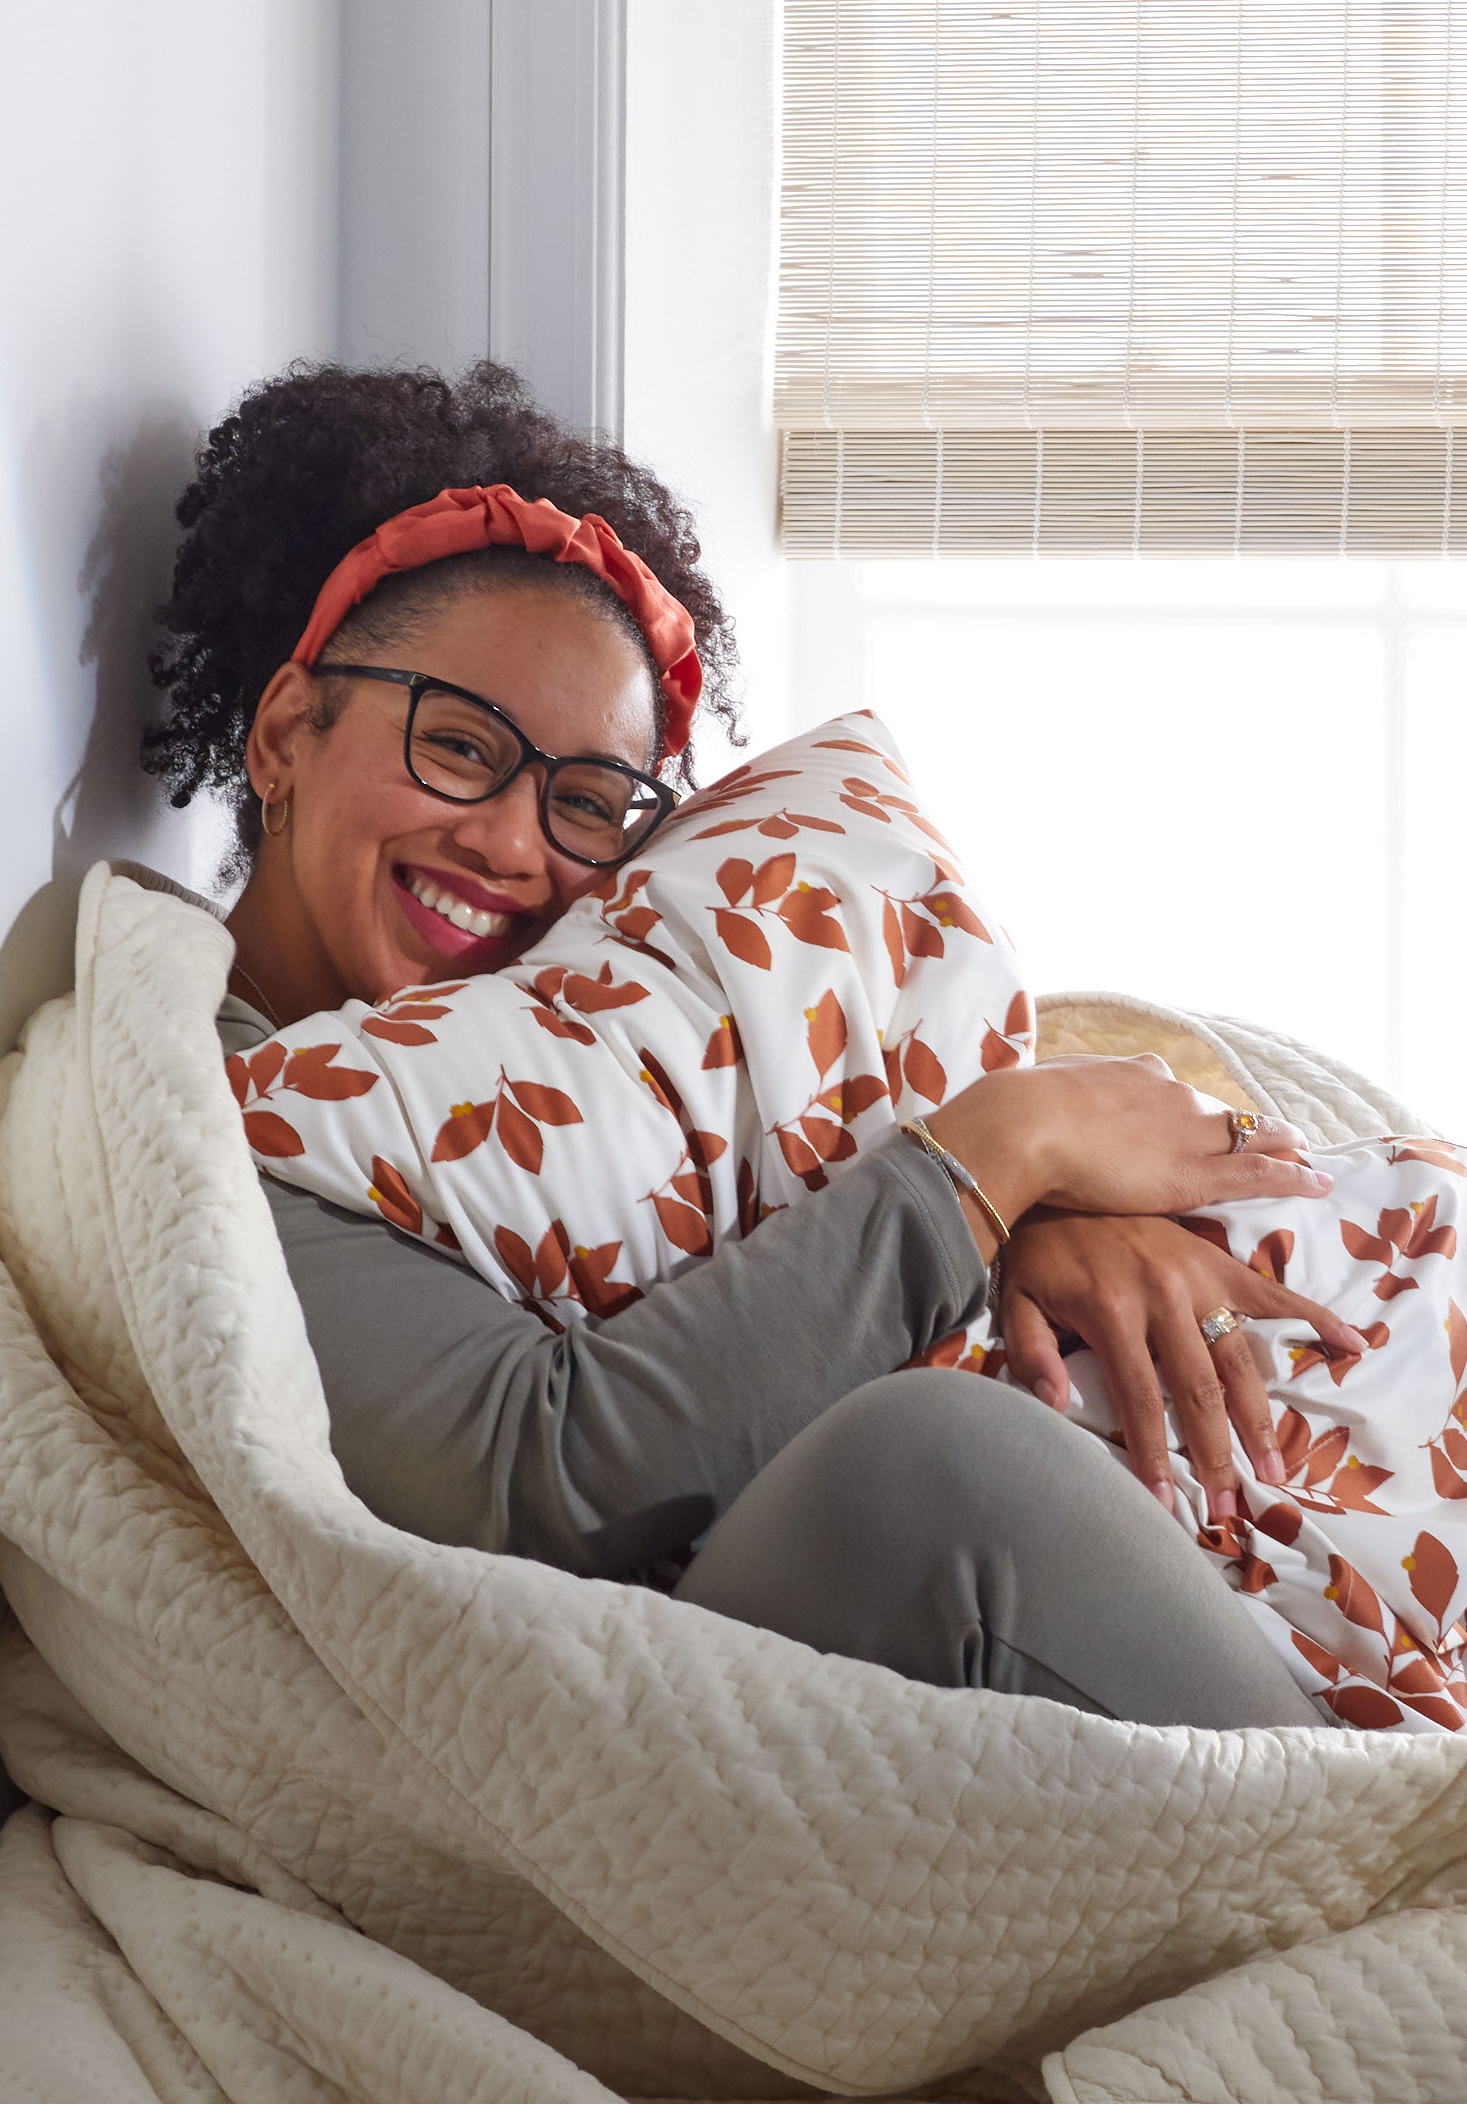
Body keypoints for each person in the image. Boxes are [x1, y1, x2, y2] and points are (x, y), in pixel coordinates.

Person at [140, 362, 1358, 1730]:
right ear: (288, 730)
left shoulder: (607, 1057)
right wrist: (998, 1153)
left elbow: (764, 1223)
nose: (513, 846)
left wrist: (1016, 1239)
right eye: (460, 746)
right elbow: (537, 1477)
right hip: (597, 1716)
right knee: (930, 1463)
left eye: (588, 801)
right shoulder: (206, 1101)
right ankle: (1433, 1876)